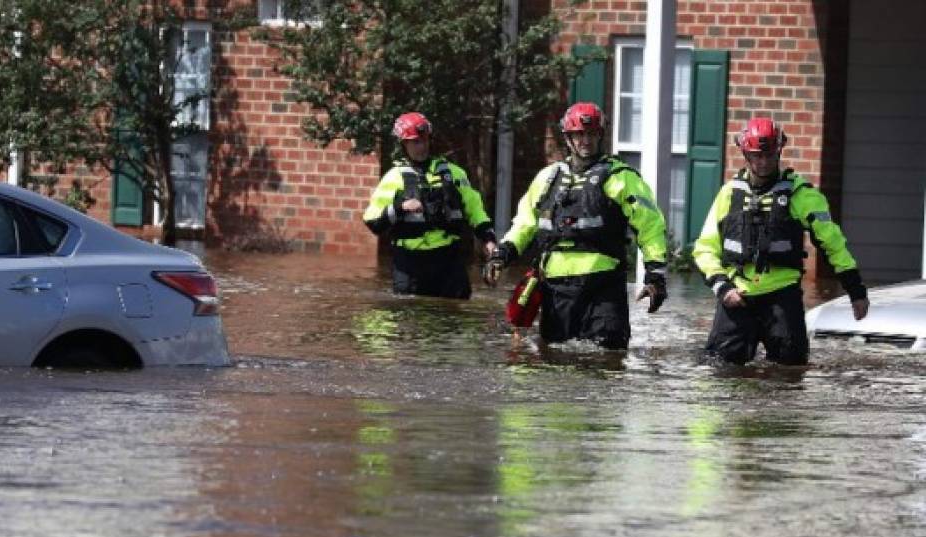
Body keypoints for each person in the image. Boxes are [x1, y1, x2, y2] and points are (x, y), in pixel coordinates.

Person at [483, 102, 669, 348]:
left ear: (600, 135)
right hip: (556, 290)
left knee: (606, 360)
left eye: (591, 134)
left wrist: (655, 275)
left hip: (602, 289)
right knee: (555, 361)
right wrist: (502, 254)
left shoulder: (621, 177)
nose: (586, 141)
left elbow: (650, 226)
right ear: (568, 138)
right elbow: (525, 223)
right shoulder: (548, 178)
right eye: (579, 135)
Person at [692, 116, 870, 365]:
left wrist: (856, 292)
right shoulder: (728, 194)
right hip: (736, 296)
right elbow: (704, 249)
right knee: (719, 371)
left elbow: (834, 245)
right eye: (757, 156)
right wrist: (722, 287)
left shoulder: (803, 196)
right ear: (746, 154)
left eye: (769, 155)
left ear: (779, 152)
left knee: (790, 374)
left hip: (782, 299)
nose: (763, 162)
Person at [363, 112, 496, 299]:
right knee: (408, 319)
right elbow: (373, 221)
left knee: (456, 318)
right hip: (410, 264)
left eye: (424, 140)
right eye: (415, 142)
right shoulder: (394, 178)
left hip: (449, 262)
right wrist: (400, 207)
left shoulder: (453, 173)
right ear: (404, 144)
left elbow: (475, 210)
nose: (422, 146)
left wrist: (488, 239)